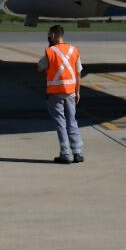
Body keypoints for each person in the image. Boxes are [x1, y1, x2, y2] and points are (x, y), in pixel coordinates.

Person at [37, 24, 84, 164]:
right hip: (71, 92)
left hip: (55, 93)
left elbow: (40, 67)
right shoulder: (74, 50)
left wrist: (50, 48)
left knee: (60, 123)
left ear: (52, 35)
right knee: (72, 121)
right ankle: (77, 152)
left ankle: (65, 154)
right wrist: (77, 91)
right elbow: (78, 73)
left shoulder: (50, 51)